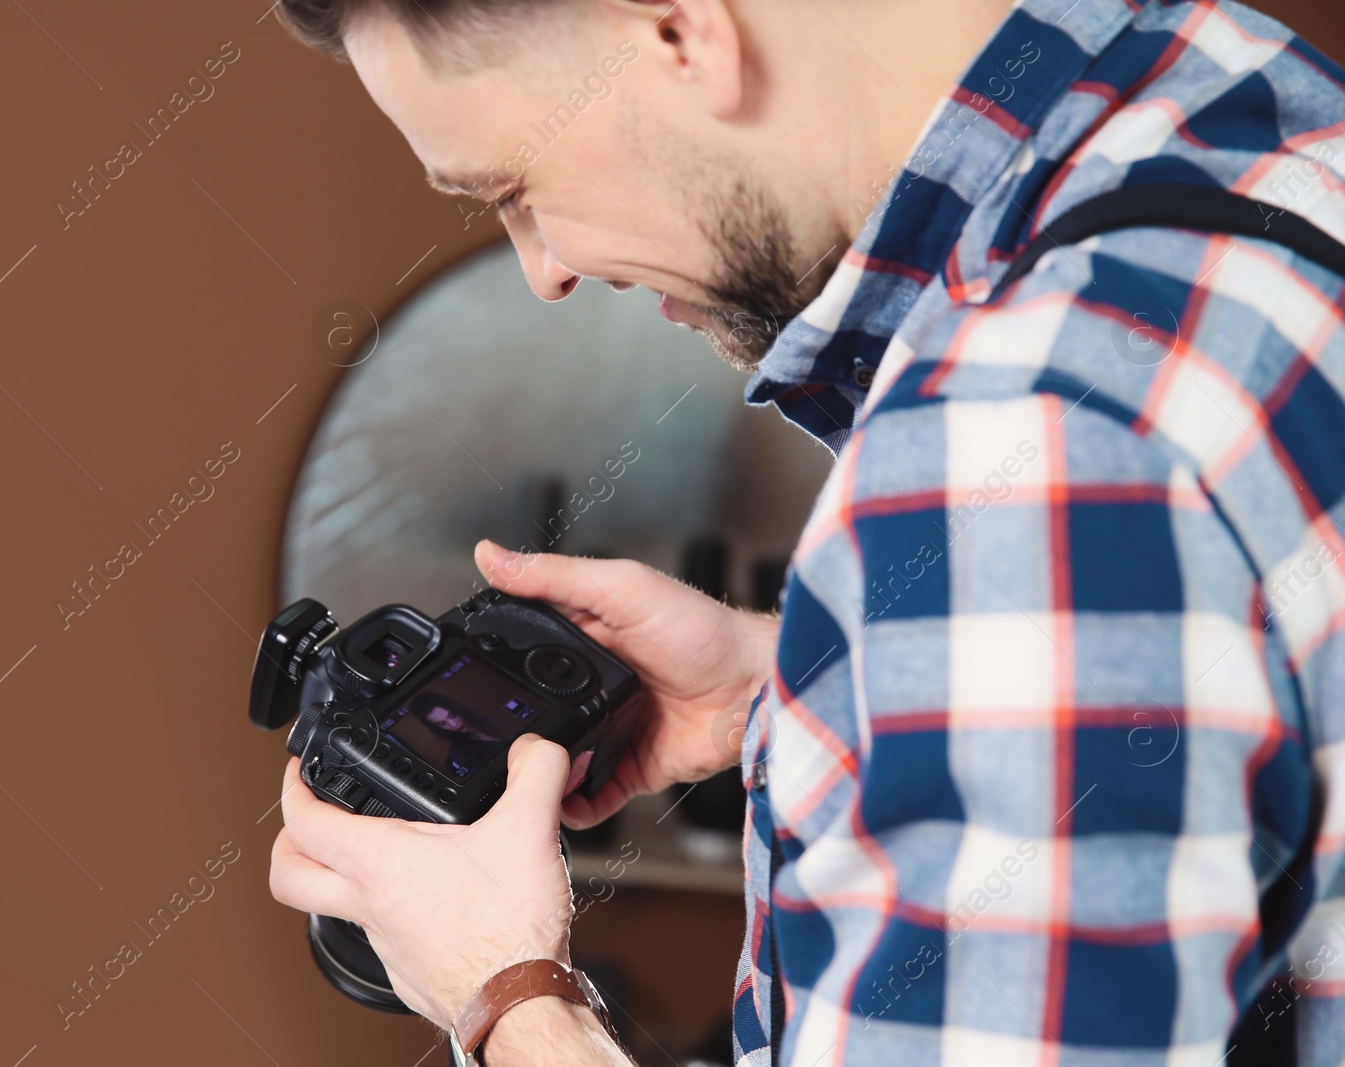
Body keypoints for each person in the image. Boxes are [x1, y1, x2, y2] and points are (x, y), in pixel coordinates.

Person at [265, 0, 1345, 1063]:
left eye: (514, 189)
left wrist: (504, 989)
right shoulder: (1241, 96)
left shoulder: (1020, 436)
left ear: (678, 31)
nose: (542, 269)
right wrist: (810, 676)